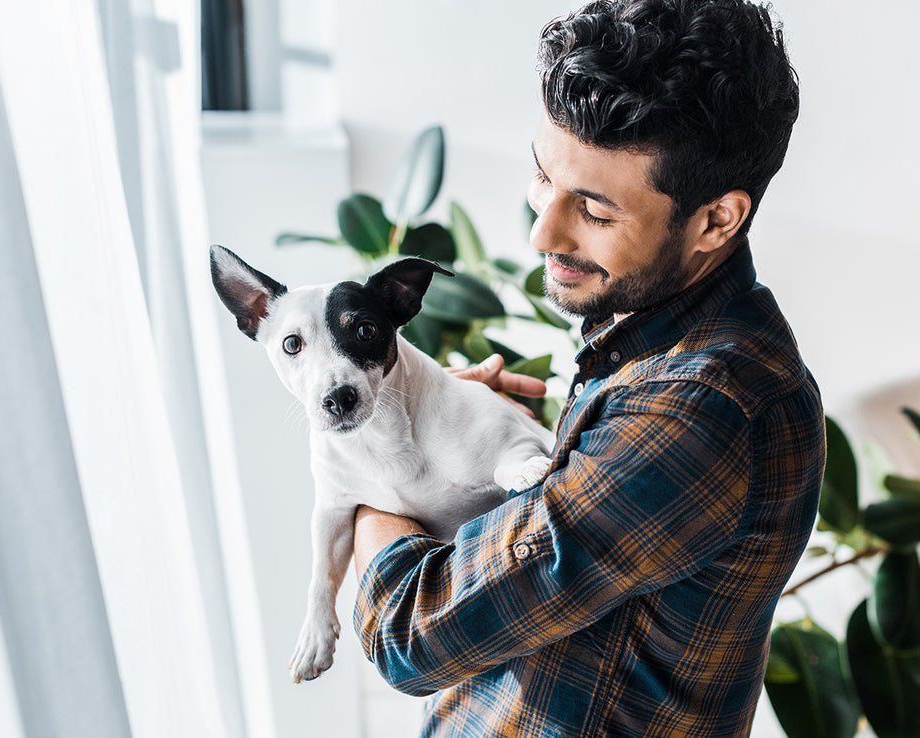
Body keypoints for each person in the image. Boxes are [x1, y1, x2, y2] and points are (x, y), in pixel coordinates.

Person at [351, 1, 823, 735]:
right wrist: (483, 443)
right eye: (542, 176)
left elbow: (409, 635)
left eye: (594, 212)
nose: (542, 229)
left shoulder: (704, 409)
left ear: (715, 220)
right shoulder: (651, 340)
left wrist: (376, 466)